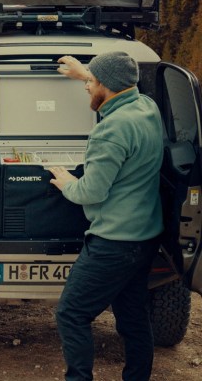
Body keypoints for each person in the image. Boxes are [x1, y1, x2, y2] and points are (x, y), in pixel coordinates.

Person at [48, 52, 163, 381]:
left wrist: (68, 182)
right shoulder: (146, 108)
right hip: (145, 238)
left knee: (71, 314)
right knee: (133, 319)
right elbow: (111, 84)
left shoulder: (110, 131)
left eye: (91, 82)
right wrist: (86, 72)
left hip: (114, 243)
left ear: (107, 86)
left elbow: (91, 192)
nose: (87, 87)